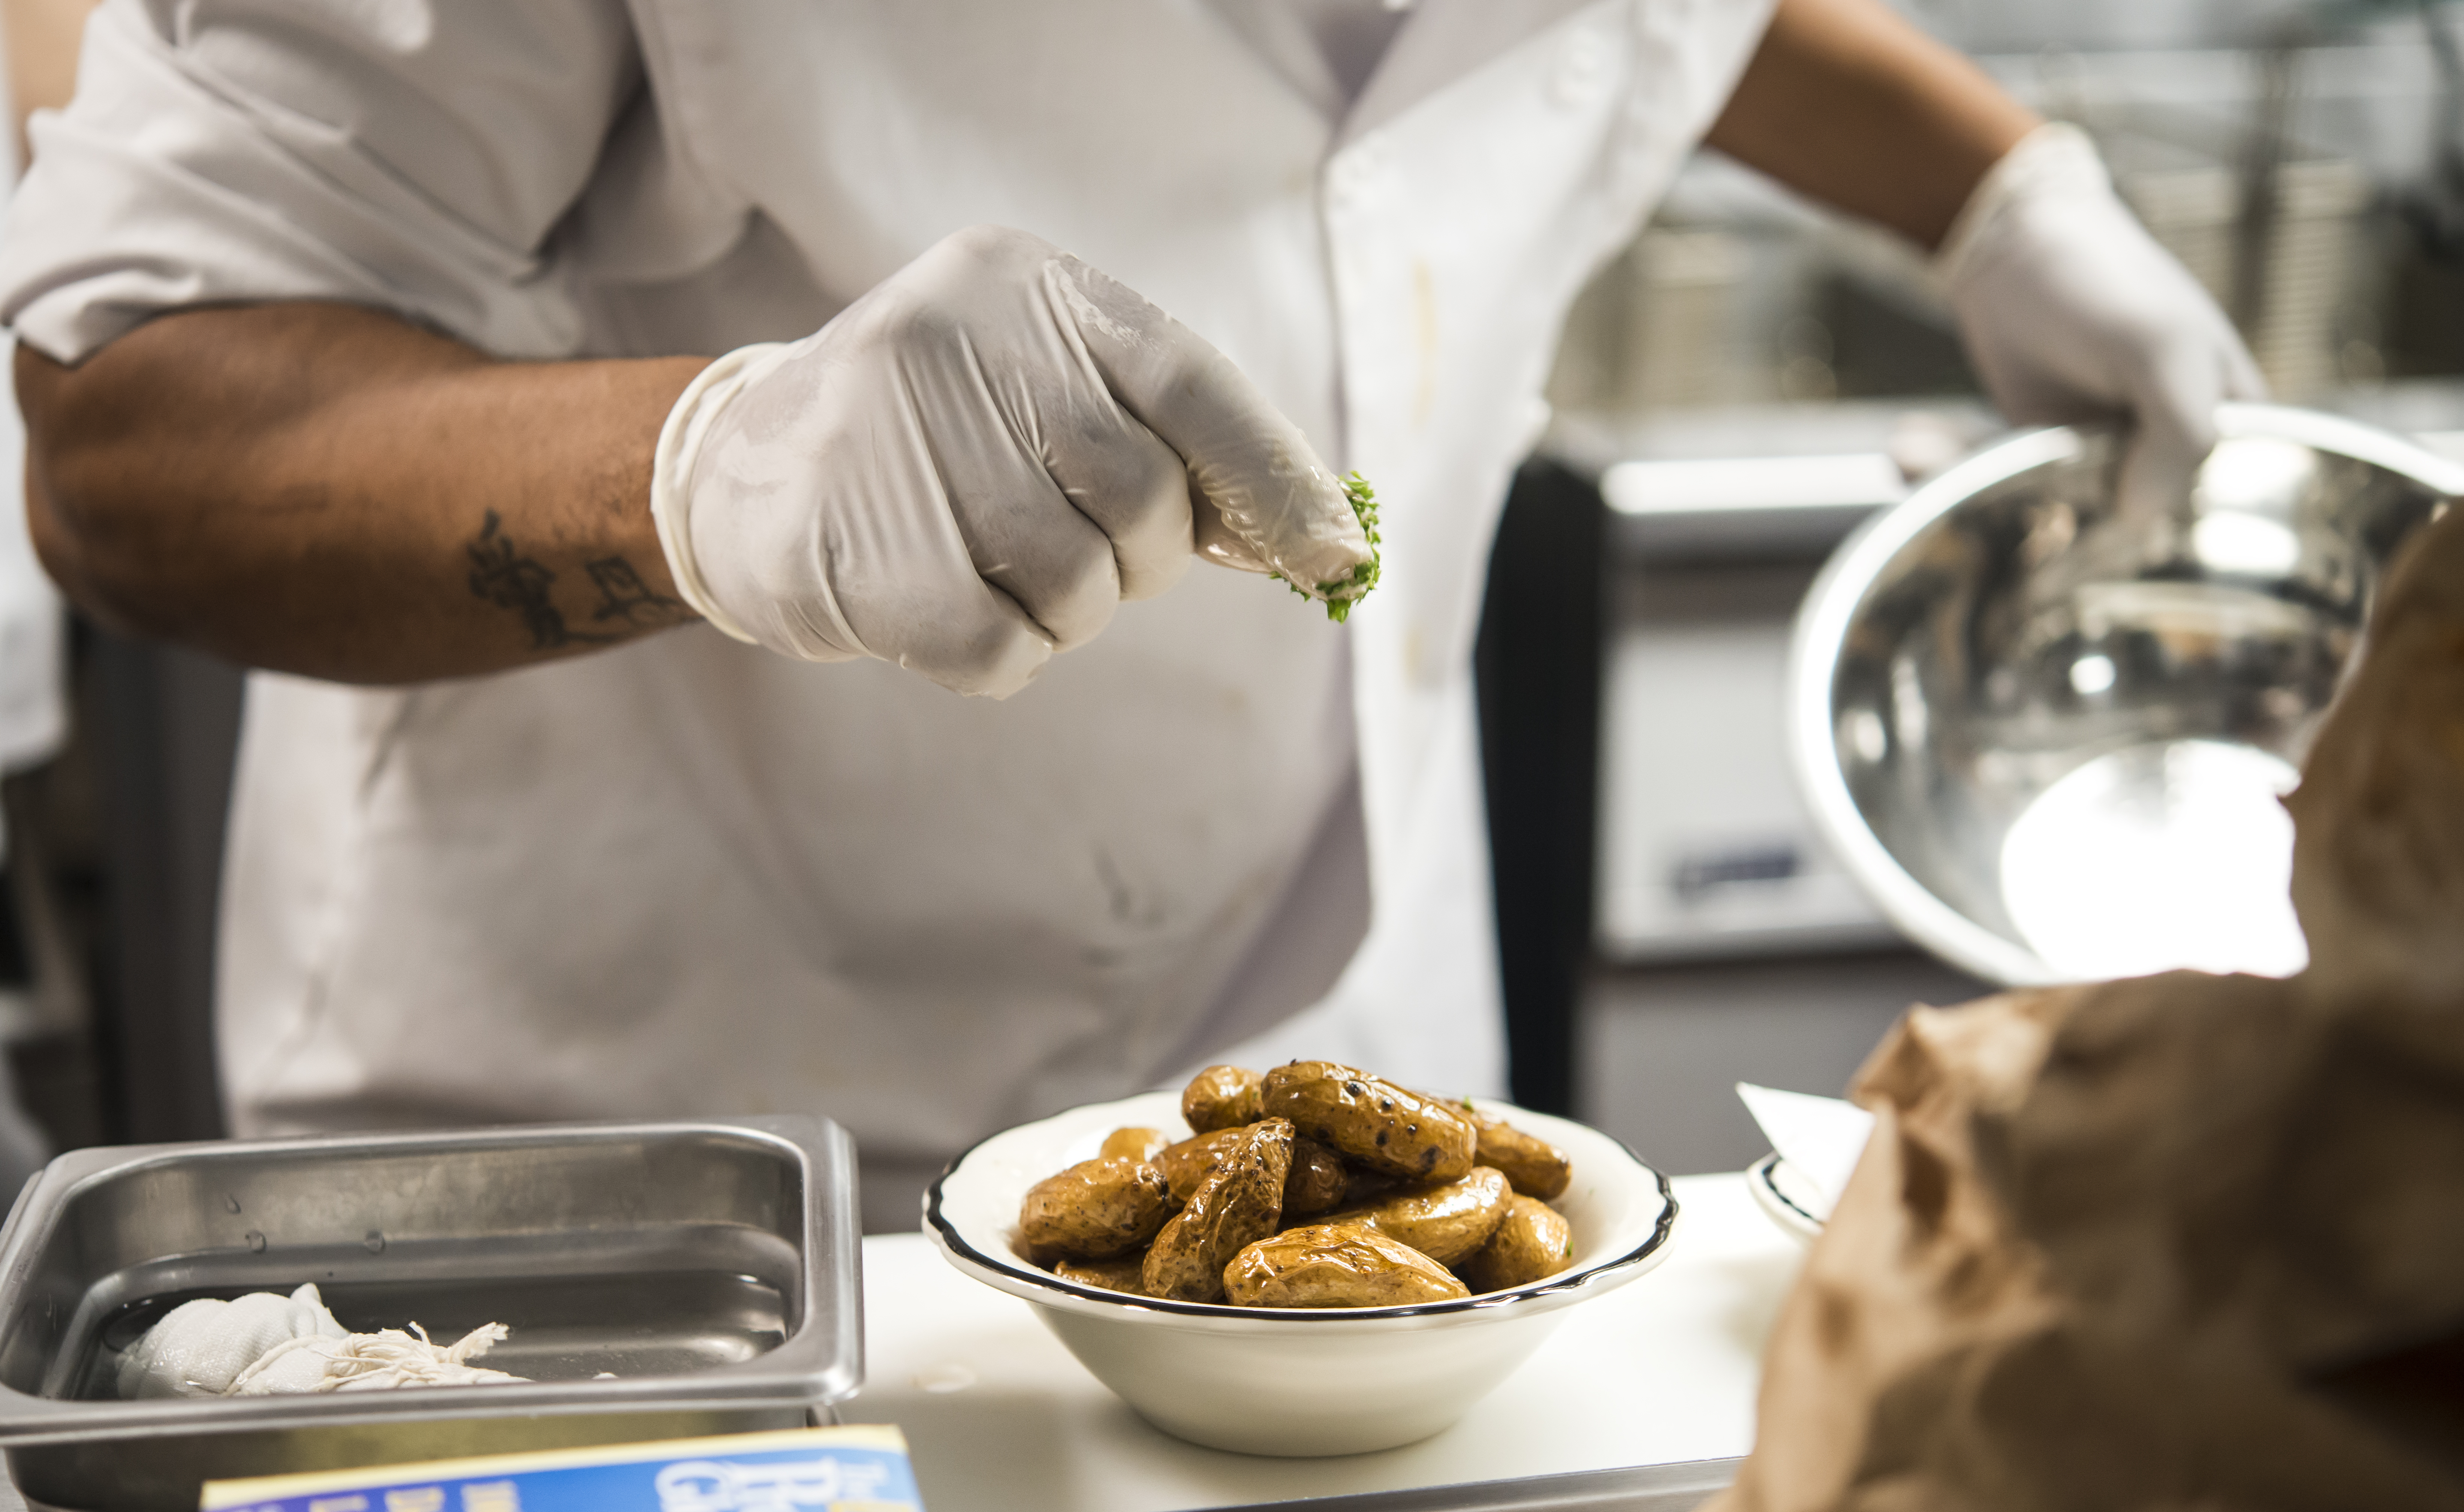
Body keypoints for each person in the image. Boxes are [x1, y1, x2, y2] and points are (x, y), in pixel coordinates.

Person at [0, 0, 2256, 1223]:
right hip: (673, 1173)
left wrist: (1989, 189)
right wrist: (721, 473)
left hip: (1354, 1096)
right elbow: (131, 431)